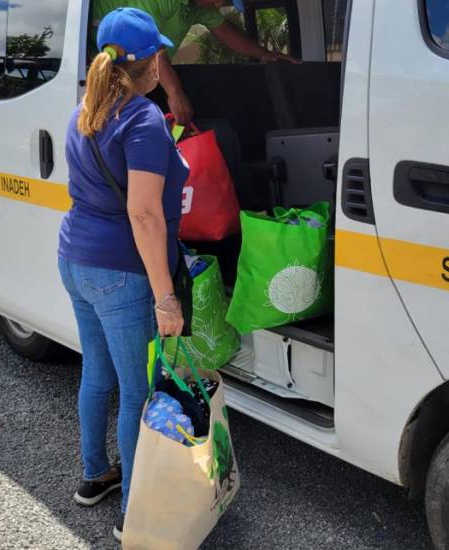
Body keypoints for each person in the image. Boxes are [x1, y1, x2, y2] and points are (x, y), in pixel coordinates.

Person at [57, 7, 188, 542]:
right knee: (136, 392)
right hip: (121, 273)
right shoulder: (143, 120)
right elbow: (144, 214)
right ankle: (132, 509)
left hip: (74, 260)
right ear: (150, 63)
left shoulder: (84, 110)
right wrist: (165, 297)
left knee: (97, 373)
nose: (163, 60)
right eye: (159, 52)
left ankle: (95, 477)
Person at [92, 0, 299, 124]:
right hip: (109, 77)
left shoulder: (199, 6)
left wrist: (264, 55)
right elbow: (150, 44)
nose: (220, 4)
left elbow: (224, 30)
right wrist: (175, 93)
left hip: (142, 77)